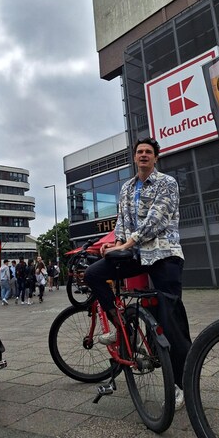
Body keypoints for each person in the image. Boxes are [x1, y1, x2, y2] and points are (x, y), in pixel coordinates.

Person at [84, 137, 190, 411]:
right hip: (136, 255)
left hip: (163, 253)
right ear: (134, 157)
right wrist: (115, 242)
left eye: (148, 152)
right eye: (139, 152)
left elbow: (157, 218)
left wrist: (127, 243)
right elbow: (122, 220)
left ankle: (183, 383)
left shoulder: (167, 183)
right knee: (94, 274)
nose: (143, 155)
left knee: (170, 318)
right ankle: (123, 327)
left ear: (156, 157)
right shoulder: (127, 187)